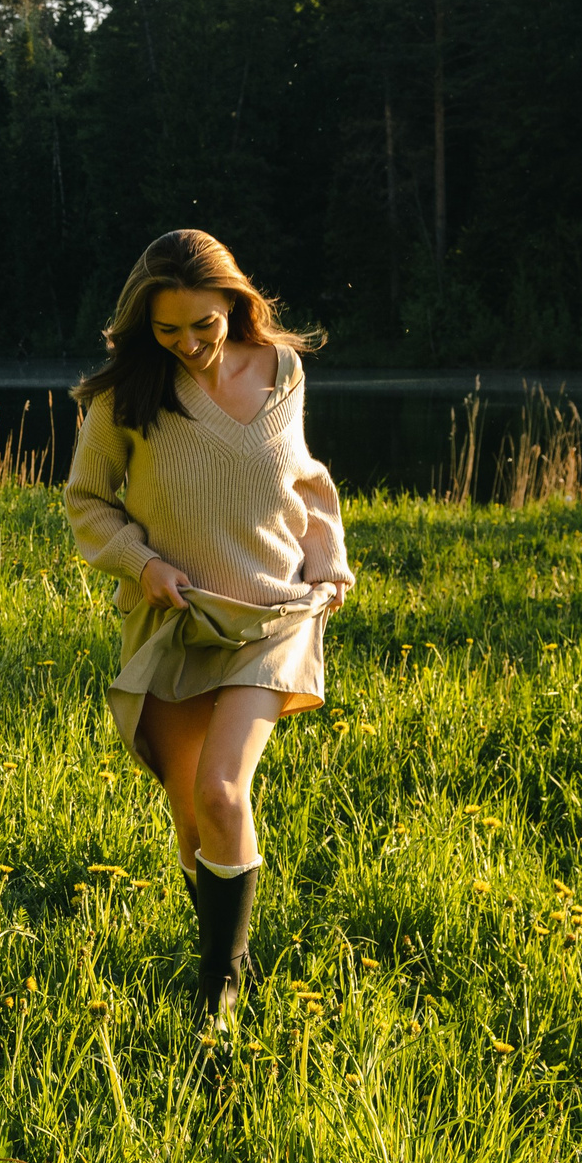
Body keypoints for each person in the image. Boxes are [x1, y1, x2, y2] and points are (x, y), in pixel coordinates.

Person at [63, 230, 353, 1023]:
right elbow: (87, 500)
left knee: (224, 792)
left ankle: (215, 994)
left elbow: (310, 482)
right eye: (167, 329)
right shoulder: (128, 394)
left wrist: (328, 564)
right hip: (177, 618)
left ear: (233, 302)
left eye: (204, 325)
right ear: (143, 325)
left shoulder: (283, 372)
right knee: (191, 812)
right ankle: (230, 952)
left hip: (273, 615)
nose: (188, 344)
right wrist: (139, 562)